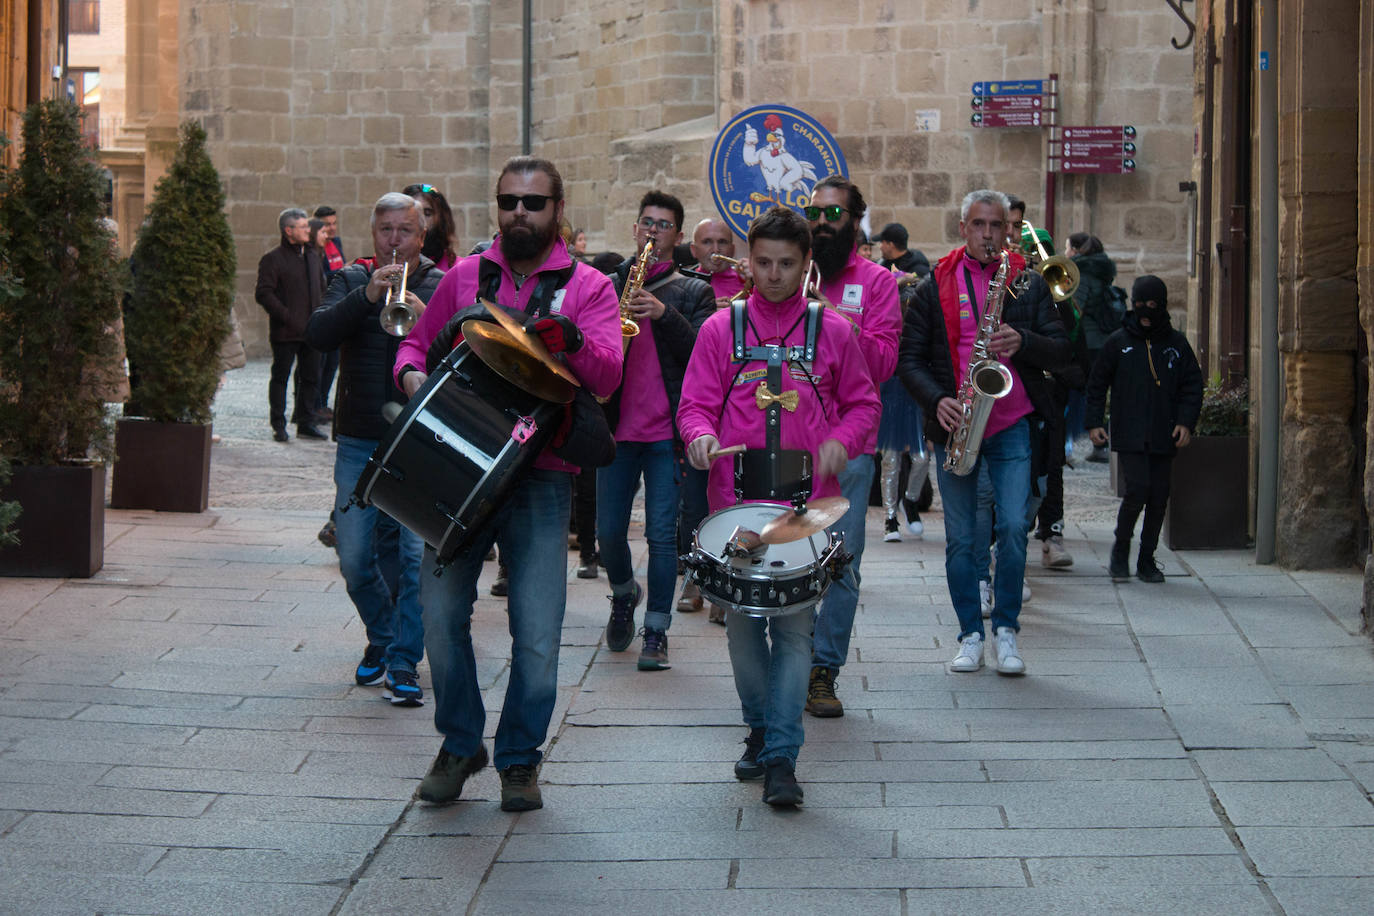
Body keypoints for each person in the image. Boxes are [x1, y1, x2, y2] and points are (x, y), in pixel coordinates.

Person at [393, 156, 622, 812]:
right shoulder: (465, 275)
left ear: (557, 208)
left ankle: (520, 758)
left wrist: (571, 342)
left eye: (534, 202)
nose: (520, 213)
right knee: (439, 617)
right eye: (509, 202)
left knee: (540, 632)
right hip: (456, 468)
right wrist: (408, 377)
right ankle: (460, 741)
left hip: (542, 479)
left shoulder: (588, 287)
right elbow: (413, 347)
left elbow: (606, 378)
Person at [677, 205, 880, 807]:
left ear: (806, 263)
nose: (772, 275)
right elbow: (693, 406)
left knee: (794, 632)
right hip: (735, 505)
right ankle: (760, 726)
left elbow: (864, 404)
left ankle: (784, 756)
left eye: (786, 264)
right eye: (762, 263)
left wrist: (843, 441)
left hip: (804, 508)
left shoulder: (835, 330)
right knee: (743, 631)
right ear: (748, 261)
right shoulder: (719, 330)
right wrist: (699, 439)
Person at [897, 189, 1070, 677]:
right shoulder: (933, 287)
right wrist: (938, 400)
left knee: (1014, 528)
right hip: (957, 426)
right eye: (979, 225)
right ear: (963, 229)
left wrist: (1026, 341)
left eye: (997, 226)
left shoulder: (1028, 285)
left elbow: (1062, 350)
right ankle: (970, 633)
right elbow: (908, 361)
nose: (989, 234)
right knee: (961, 540)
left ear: (1008, 231)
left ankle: (1007, 630)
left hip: (1012, 424)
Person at [305, 192, 442, 706]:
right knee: (355, 555)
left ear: (421, 236)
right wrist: (365, 298)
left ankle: (404, 661)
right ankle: (383, 638)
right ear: (373, 234)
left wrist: (430, 318)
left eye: (404, 231)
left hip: (416, 440)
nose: (394, 240)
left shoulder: (439, 283)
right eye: (385, 230)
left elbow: (465, 352)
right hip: (360, 436)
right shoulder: (351, 280)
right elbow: (316, 334)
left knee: (412, 559)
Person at [600, 191, 713, 670]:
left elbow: (705, 357)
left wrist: (666, 316)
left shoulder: (693, 291)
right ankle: (625, 592)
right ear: (634, 228)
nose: (653, 231)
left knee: (663, 537)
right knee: (607, 534)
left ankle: (657, 631)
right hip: (615, 431)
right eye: (646, 222)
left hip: (666, 434)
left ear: (678, 237)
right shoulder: (607, 285)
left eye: (663, 225)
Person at [803, 175, 902, 718]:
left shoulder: (878, 283)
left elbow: (884, 362)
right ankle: (790, 658)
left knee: (840, 561)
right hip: (788, 440)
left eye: (834, 214)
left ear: (855, 221)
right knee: (788, 555)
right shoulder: (789, 271)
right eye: (815, 213)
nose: (822, 223)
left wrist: (832, 317)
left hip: (851, 446)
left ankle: (823, 669)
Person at [1085, 275, 1202, 583]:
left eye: (1152, 305)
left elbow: (1192, 385)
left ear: (1161, 305)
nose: (1146, 311)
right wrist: (1095, 422)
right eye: (1140, 305)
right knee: (1137, 490)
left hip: (1165, 432)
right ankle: (1120, 551)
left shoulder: (1176, 345)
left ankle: (1147, 559)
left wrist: (1185, 422)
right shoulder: (1118, 342)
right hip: (1130, 432)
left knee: (1159, 494)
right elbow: (1097, 383)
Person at [255, 207, 326, 442]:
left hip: (312, 331)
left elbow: (322, 288)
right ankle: (279, 424)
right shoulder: (273, 259)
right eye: (303, 226)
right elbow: (264, 293)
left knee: (311, 377)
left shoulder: (313, 256)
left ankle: (306, 422)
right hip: (286, 331)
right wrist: (286, 315)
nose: (308, 230)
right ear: (288, 231)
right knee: (281, 377)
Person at [1068, 232, 1119, 464]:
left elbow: (1076, 307)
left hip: (1086, 340)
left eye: (1068, 248)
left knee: (1085, 390)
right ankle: (1101, 441)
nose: (1066, 252)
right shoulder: (1103, 268)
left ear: (1077, 251)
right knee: (1098, 390)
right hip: (1103, 338)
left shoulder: (1082, 271)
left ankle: (1087, 438)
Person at [313, 206, 346, 421]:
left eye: (334, 223)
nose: (332, 228)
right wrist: (342, 274)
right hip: (322, 307)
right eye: (327, 224)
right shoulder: (315, 249)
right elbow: (323, 276)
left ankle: (323, 403)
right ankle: (312, 406)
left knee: (332, 362)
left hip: (337, 308)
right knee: (318, 364)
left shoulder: (337, 243)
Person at [688, 217, 749, 306]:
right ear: (694, 250)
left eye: (722, 242)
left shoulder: (748, 282)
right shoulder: (683, 285)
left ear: (733, 250)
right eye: (707, 242)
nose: (715, 250)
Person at [403, 183, 459, 270]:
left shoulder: (457, 269)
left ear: (441, 219)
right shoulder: (381, 267)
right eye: (413, 214)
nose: (420, 220)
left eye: (427, 213)